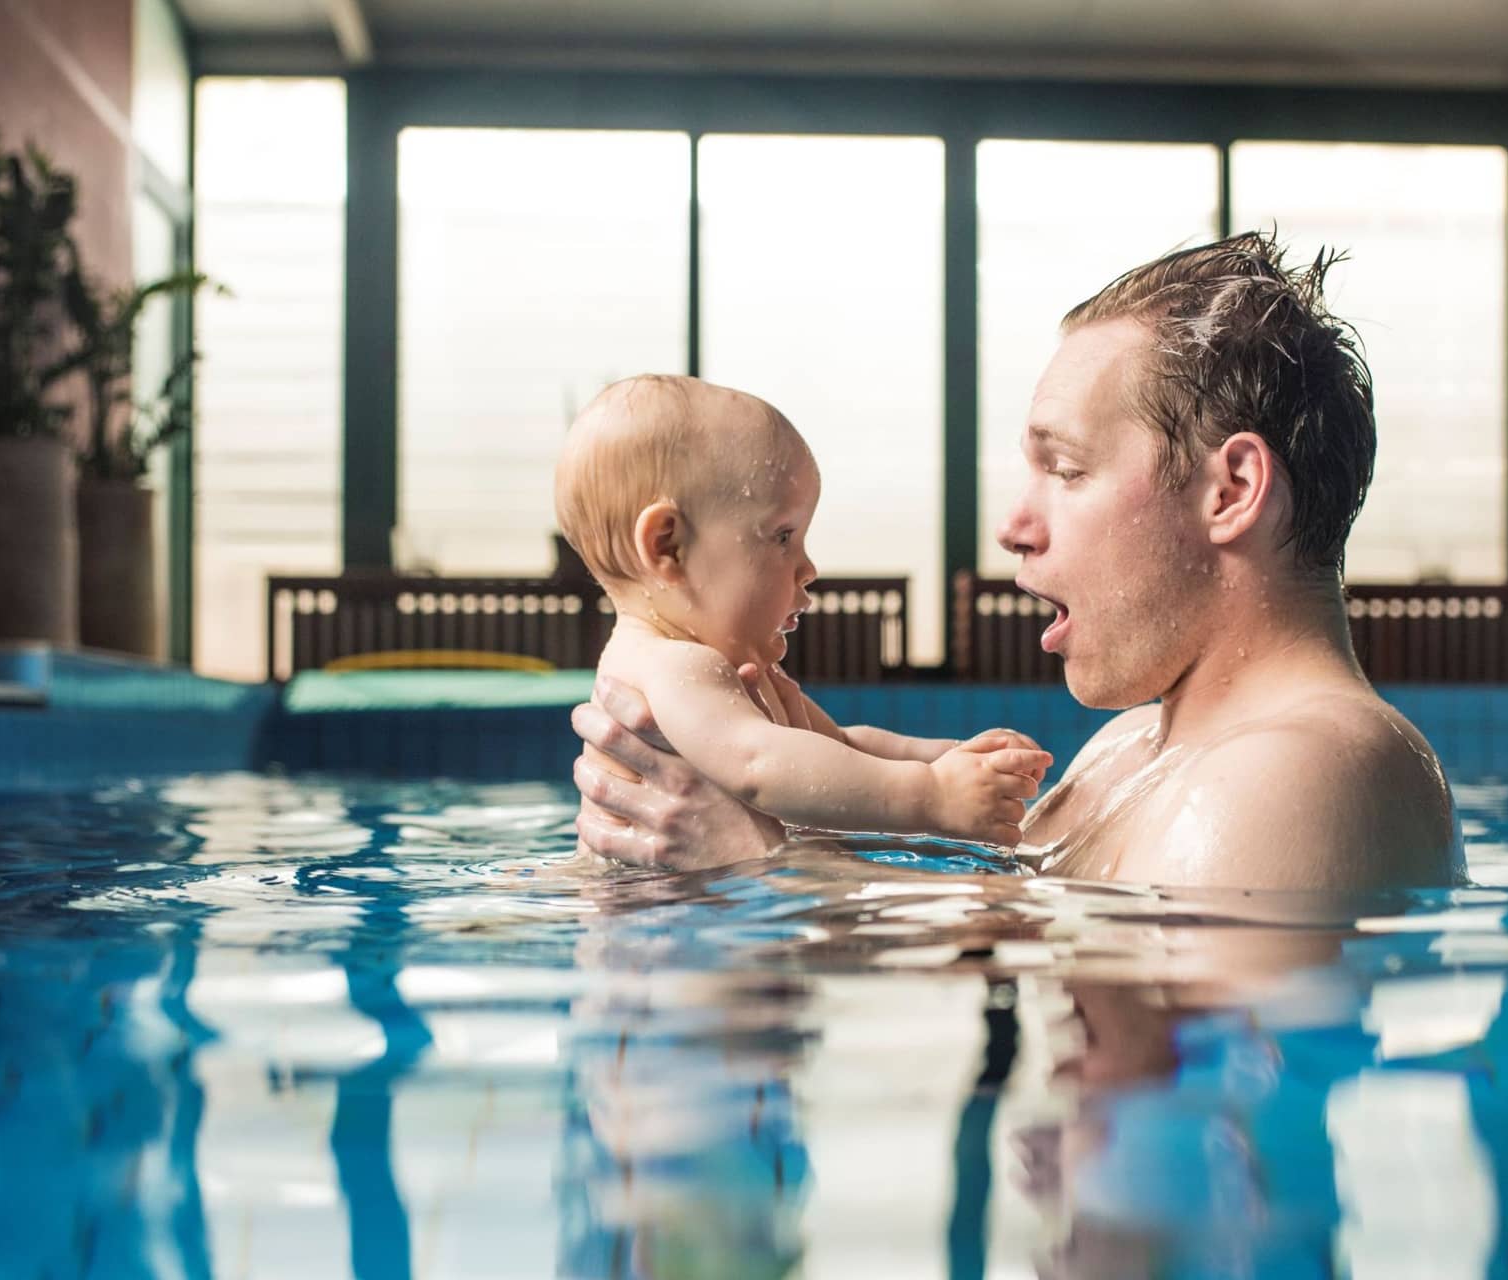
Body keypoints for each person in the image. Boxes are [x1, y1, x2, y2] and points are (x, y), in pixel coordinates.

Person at [572, 233, 1461, 892]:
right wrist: (711, 828)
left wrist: (750, 863)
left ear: (1229, 491)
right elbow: (995, 915)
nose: (1012, 526)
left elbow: (1180, 1099)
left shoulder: (1299, 776)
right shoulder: (1134, 748)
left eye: (1066, 470)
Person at [553, 374, 1051, 850]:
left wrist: (947, 758)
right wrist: (933, 795)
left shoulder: (704, 664)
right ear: (669, 546)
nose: (808, 568)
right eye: (783, 537)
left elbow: (838, 747)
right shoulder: (672, 665)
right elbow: (760, 765)